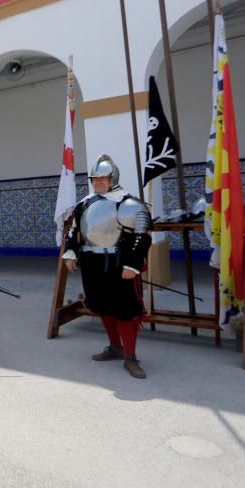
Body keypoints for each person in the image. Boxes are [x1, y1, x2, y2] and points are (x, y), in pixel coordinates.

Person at [63, 154, 151, 379]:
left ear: (113, 178)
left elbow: (142, 237)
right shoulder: (84, 204)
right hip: (91, 262)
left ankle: (130, 357)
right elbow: (75, 233)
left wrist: (133, 264)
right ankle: (115, 347)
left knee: (126, 311)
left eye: (103, 178)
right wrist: (71, 253)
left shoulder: (129, 204)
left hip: (120, 264)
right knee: (101, 306)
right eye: (95, 178)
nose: (98, 182)